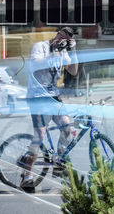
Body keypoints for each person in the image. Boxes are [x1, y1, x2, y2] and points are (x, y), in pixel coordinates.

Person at [21, 27, 78, 190]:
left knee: (67, 127)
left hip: (53, 96)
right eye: (62, 36)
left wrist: (72, 51)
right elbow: (37, 64)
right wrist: (55, 52)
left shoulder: (63, 52)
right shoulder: (41, 47)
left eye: (67, 39)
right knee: (40, 135)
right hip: (38, 97)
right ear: (58, 34)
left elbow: (73, 71)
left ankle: (59, 163)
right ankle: (27, 176)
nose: (63, 40)